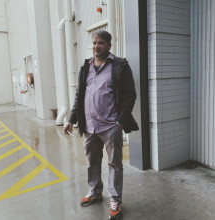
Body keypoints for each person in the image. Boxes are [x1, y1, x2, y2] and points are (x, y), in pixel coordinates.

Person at [64, 30, 138, 220]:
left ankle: (115, 199)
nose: (96, 46)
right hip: (89, 126)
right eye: (95, 43)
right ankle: (95, 191)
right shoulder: (85, 67)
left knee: (115, 164)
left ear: (109, 45)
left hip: (110, 126)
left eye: (101, 43)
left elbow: (130, 95)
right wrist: (72, 118)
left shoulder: (120, 66)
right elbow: (80, 95)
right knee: (92, 162)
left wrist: (120, 121)